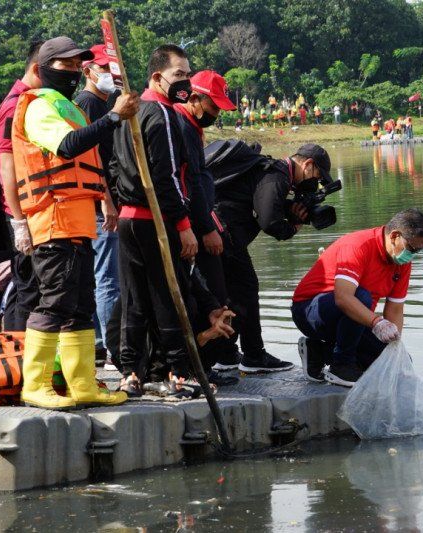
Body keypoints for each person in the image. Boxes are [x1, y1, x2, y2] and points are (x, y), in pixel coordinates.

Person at [10, 36, 139, 409]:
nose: (71, 71)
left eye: (75, 65)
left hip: (79, 221)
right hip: (53, 218)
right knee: (55, 302)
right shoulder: (37, 106)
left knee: (80, 304)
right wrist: (114, 116)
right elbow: (67, 146)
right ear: (41, 69)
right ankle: (35, 384)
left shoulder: (70, 107)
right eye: (63, 65)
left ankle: (82, 384)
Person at [109, 44, 199, 394]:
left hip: (129, 221)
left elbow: (115, 167)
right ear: (157, 77)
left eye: (188, 75)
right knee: (166, 294)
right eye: (179, 74)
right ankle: (177, 370)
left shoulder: (128, 111)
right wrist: (184, 224)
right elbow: (169, 177)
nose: (185, 81)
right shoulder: (160, 113)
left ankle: (131, 371)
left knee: (135, 297)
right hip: (153, 220)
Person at [214, 143, 329, 373]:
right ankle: (254, 356)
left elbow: (255, 201)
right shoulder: (277, 177)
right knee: (246, 289)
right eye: (317, 176)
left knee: (230, 295)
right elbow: (269, 221)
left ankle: (225, 354)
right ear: (307, 165)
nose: (315, 183)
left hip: (219, 232)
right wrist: (293, 227)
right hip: (225, 235)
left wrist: (290, 209)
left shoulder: (272, 171)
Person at [292, 208, 423, 386]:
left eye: (417, 252)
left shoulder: (401, 262)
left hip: (353, 320)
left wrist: (394, 347)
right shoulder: (359, 245)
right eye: (412, 249)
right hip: (310, 310)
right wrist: (377, 323)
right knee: (361, 297)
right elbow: (343, 298)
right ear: (395, 236)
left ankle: (318, 351)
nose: (412, 255)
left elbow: (395, 309)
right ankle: (341, 366)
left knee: (394, 363)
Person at [173, 69, 240, 381]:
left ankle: (208, 362)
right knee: (210, 293)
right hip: (194, 224)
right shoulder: (181, 126)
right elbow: (190, 185)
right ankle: (200, 362)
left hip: (201, 218)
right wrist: (206, 228)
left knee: (211, 291)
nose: (215, 115)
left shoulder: (191, 126)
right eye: (213, 108)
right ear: (194, 98)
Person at [0, 40, 43, 332]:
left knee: (29, 286)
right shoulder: (17, 105)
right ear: (38, 68)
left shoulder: (33, 100)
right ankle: (20, 356)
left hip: (31, 208)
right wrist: (20, 221)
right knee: (27, 289)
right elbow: (7, 164)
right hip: (21, 209)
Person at [74, 44, 121, 366]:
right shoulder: (88, 104)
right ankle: (115, 347)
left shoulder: (107, 103)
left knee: (97, 277)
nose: (109, 75)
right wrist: (106, 200)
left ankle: (101, 343)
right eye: (102, 68)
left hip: (101, 200)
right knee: (108, 279)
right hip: (99, 203)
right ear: (87, 70)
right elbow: (91, 159)